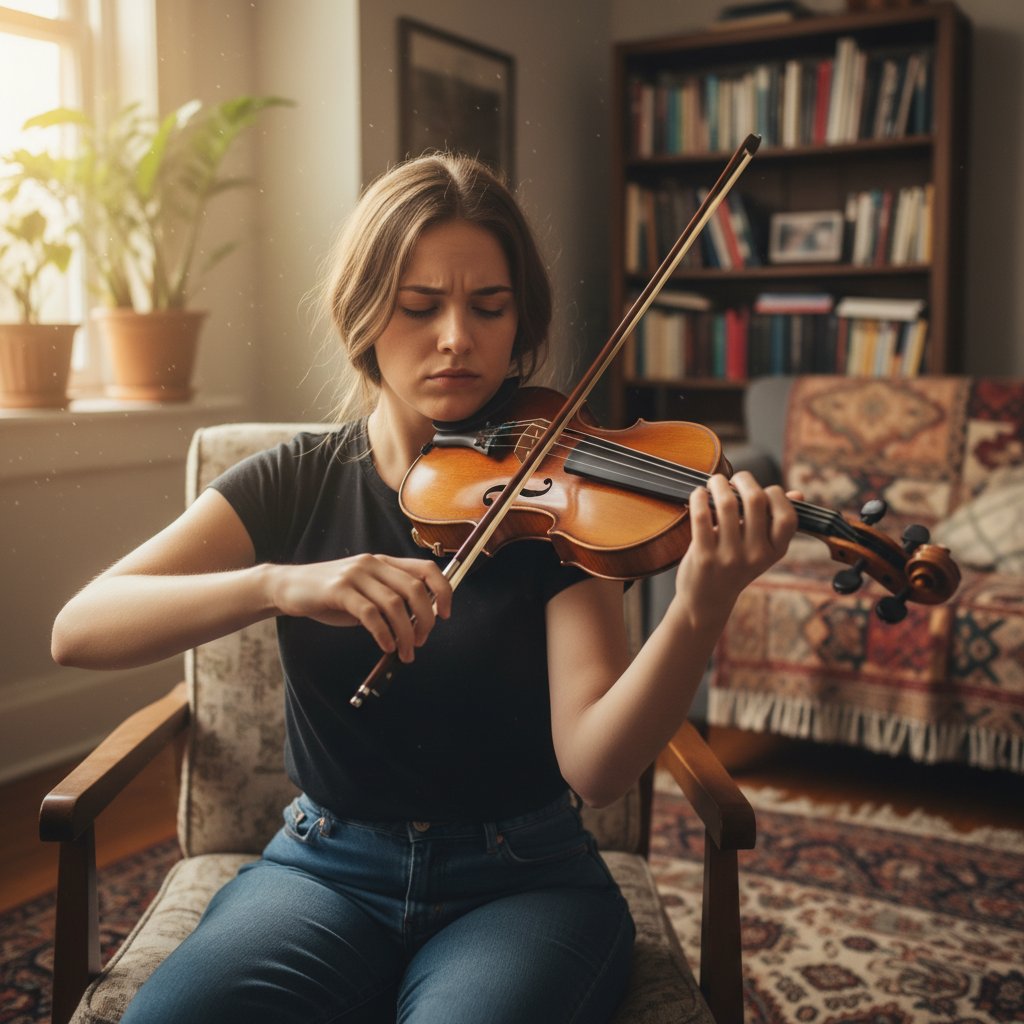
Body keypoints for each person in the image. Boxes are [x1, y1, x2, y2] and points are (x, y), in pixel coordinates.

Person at [51, 153, 799, 1024]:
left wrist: (702, 606)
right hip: (324, 869)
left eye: (490, 307)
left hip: (525, 883)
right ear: (363, 314)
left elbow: (596, 770)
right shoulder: (296, 483)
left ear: (521, 325)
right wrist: (278, 585)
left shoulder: (555, 498)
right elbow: (79, 629)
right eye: (420, 307)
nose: (457, 337)